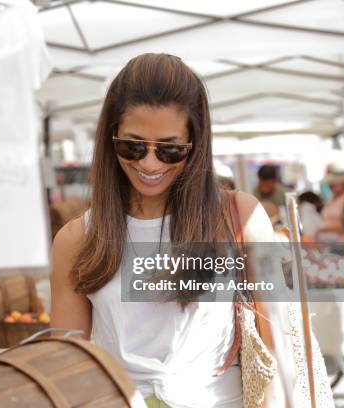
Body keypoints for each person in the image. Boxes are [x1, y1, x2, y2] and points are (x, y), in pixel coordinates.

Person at [51, 54, 276, 408]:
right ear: (111, 139)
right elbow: (65, 370)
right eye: (133, 146)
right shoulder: (76, 239)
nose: (149, 163)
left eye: (170, 150)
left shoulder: (240, 218)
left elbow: (278, 349)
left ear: (196, 145)